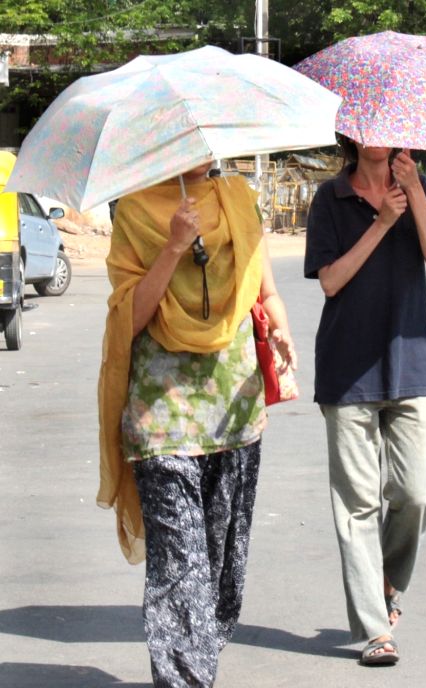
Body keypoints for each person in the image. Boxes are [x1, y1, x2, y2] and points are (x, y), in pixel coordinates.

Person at [97, 162, 296, 688]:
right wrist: (173, 247)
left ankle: (196, 660)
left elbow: (264, 292)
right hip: (160, 417)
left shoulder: (237, 197)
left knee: (222, 567)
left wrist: (280, 331)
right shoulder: (136, 210)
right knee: (180, 567)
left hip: (234, 412)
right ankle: (186, 679)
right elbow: (129, 316)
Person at [304, 136, 426, 666]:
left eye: (387, 132)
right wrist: (382, 223)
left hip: (410, 363)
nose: (378, 141)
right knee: (357, 505)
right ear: (353, 138)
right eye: (367, 130)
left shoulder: (418, 188)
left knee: (417, 493)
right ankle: (375, 630)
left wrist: (413, 193)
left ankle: (387, 579)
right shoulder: (330, 198)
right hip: (347, 370)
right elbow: (331, 281)